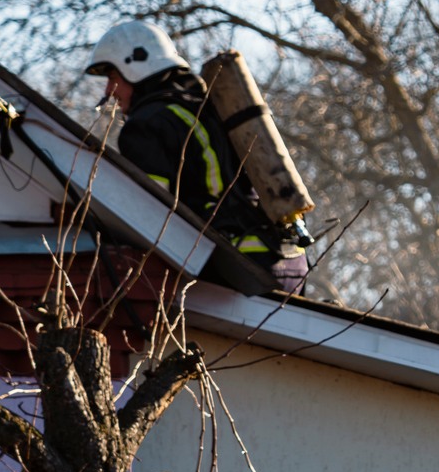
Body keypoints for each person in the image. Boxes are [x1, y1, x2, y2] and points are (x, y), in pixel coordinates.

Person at [84, 21, 308, 292]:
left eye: (113, 77)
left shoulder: (147, 125)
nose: (108, 91)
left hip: (236, 269)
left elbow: (146, 216)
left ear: (135, 67)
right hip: (287, 262)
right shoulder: (204, 109)